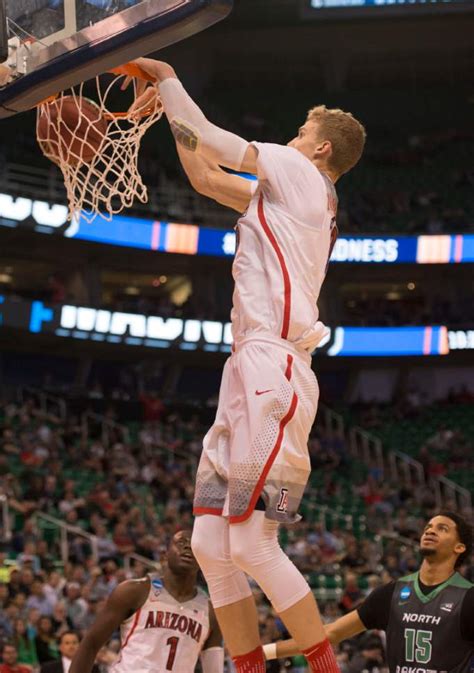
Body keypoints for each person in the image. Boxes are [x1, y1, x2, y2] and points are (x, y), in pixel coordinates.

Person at [131, 57, 366, 673]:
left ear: (316, 147)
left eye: (297, 131)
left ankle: (324, 667)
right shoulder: (291, 195)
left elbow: (213, 138)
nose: (287, 138)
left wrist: (166, 76)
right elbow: (207, 175)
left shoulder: (301, 173)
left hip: (276, 367)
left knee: (253, 543)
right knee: (210, 543)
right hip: (248, 367)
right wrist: (166, 114)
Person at [265, 511, 474, 673]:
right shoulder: (391, 593)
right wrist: (264, 652)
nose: (429, 531)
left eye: (442, 528)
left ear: (459, 548)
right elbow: (329, 634)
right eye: (428, 526)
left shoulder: (467, 598)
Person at [69, 530, 223, 673]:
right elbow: (90, 643)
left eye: (194, 545)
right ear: (164, 555)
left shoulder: (212, 613)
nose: (188, 547)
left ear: (203, 560)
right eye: (181, 543)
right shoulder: (134, 590)